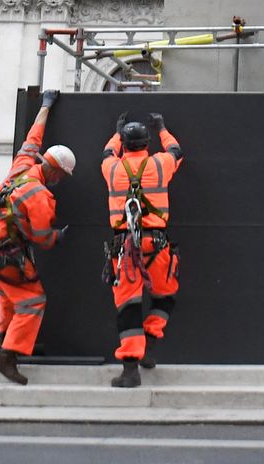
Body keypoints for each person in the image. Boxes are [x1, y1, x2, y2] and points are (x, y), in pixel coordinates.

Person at [0, 87, 75, 385]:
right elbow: (42, 238)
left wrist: (46, 107)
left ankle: (3, 338)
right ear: (56, 174)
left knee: (10, 294)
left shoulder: (22, 167)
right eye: (62, 178)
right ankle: (6, 357)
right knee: (33, 299)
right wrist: (59, 237)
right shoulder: (40, 196)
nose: (60, 183)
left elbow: (33, 139)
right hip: (3, 252)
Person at [102, 112, 182, 388]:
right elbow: (175, 150)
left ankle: (130, 369)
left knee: (128, 306)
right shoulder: (160, 165)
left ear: (124, 144)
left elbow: (107, 152)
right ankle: (148, 341)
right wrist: (162, 127)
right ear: (147, 143)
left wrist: (116, 131)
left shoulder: (112, 169)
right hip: (157, 246)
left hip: (125, 249)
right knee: (165, 297)